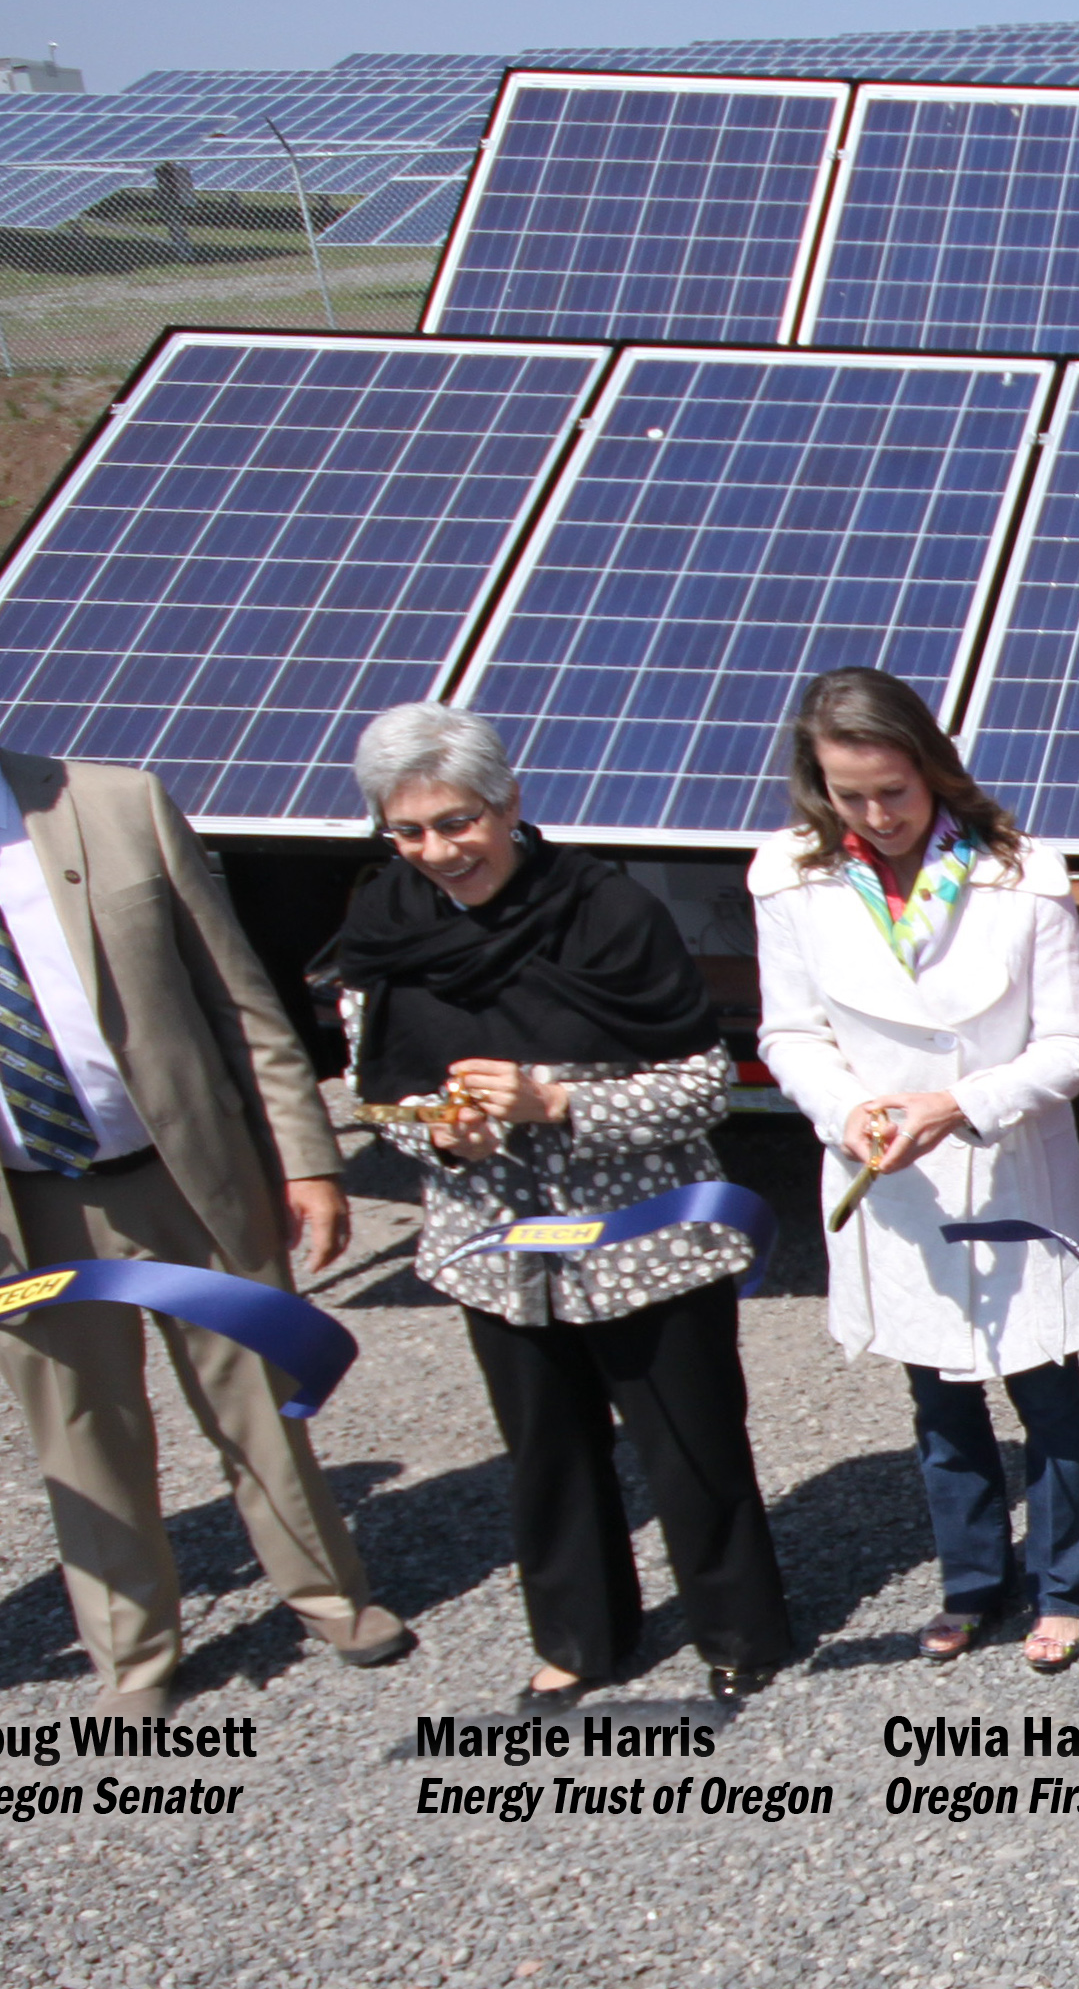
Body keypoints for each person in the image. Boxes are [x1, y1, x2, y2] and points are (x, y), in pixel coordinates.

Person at [0, 587, 409, 1718]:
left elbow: (240, 999)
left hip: (183, 1173)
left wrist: (308, 1157)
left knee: (255, 1400)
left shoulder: (114, 805)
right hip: (3, 1201)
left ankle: (328, 1596)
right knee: (81, 1434)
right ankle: (136, 1657)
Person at [321, 703, 794, 1712]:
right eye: (407, 833)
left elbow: (702, 1086)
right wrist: (438, 1132)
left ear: (508, 803)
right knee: (546, 1456)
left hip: (644, 1246)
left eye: (457, 822)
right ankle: (579, 1638)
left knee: (693, 1445)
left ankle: (736, 1627)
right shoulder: (380, 938)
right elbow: (378, 1096)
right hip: (496, 1251)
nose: (437, 851)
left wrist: (559, 1104)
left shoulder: (607, 912)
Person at [749, 667, 1079, 1675]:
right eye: (849, 794)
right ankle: (970, 1578)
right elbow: (788, 1030)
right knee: (939, 1399)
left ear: (934, 771)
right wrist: (847, 1108)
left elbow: (1073, 1047)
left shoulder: (1018, 872)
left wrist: (959, 1103)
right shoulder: (789, 875)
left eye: (894, 792)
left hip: (1006, 1170)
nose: (875, 814)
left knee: (1044, 1389)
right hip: (891, 1179)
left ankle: (1066, 1580)